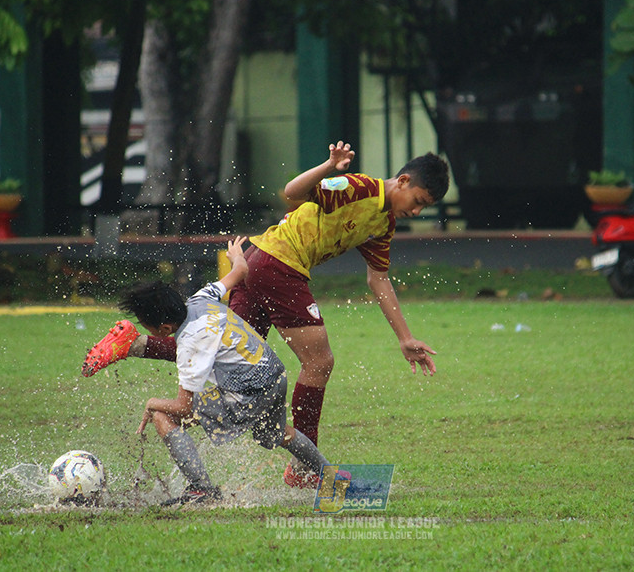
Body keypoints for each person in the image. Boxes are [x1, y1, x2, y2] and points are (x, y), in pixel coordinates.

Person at [83, 142, 450, 488]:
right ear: (403, 181)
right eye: (418, 201)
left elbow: (378, 279)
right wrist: (328, 166)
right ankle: (303, 470)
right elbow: (292, 192)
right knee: (319, 362)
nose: (417, 211)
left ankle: (135, 344)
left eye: (424, 208)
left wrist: (405, 338)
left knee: (229, 349)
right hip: (280, 265)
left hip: (260, 262)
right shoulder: (361, 188)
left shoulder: (384, 223)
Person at [120, 237, 336, 504]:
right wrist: (237, 256)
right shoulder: (200, 298)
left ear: (164, 328)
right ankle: (332, 477)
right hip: (274, 375)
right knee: (277, 432)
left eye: (146, 326)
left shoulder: (189, 343)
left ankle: (201, 489)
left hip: (248, 393)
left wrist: (152, 403)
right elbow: (240, 271)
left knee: (163, 415)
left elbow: (184, 407)